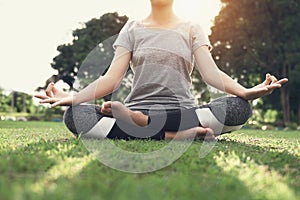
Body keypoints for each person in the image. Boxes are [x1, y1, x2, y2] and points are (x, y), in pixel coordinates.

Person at [35, 0, 288, 141]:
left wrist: (245, 92)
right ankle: (172, 135)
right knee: (73, 116)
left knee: (240, 109)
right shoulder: (132, 28)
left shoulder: (191, 27)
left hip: (183, 112)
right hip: (138, 109)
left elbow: (211, 74)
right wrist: (74, 98)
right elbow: (111, 79)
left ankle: (147, 129)